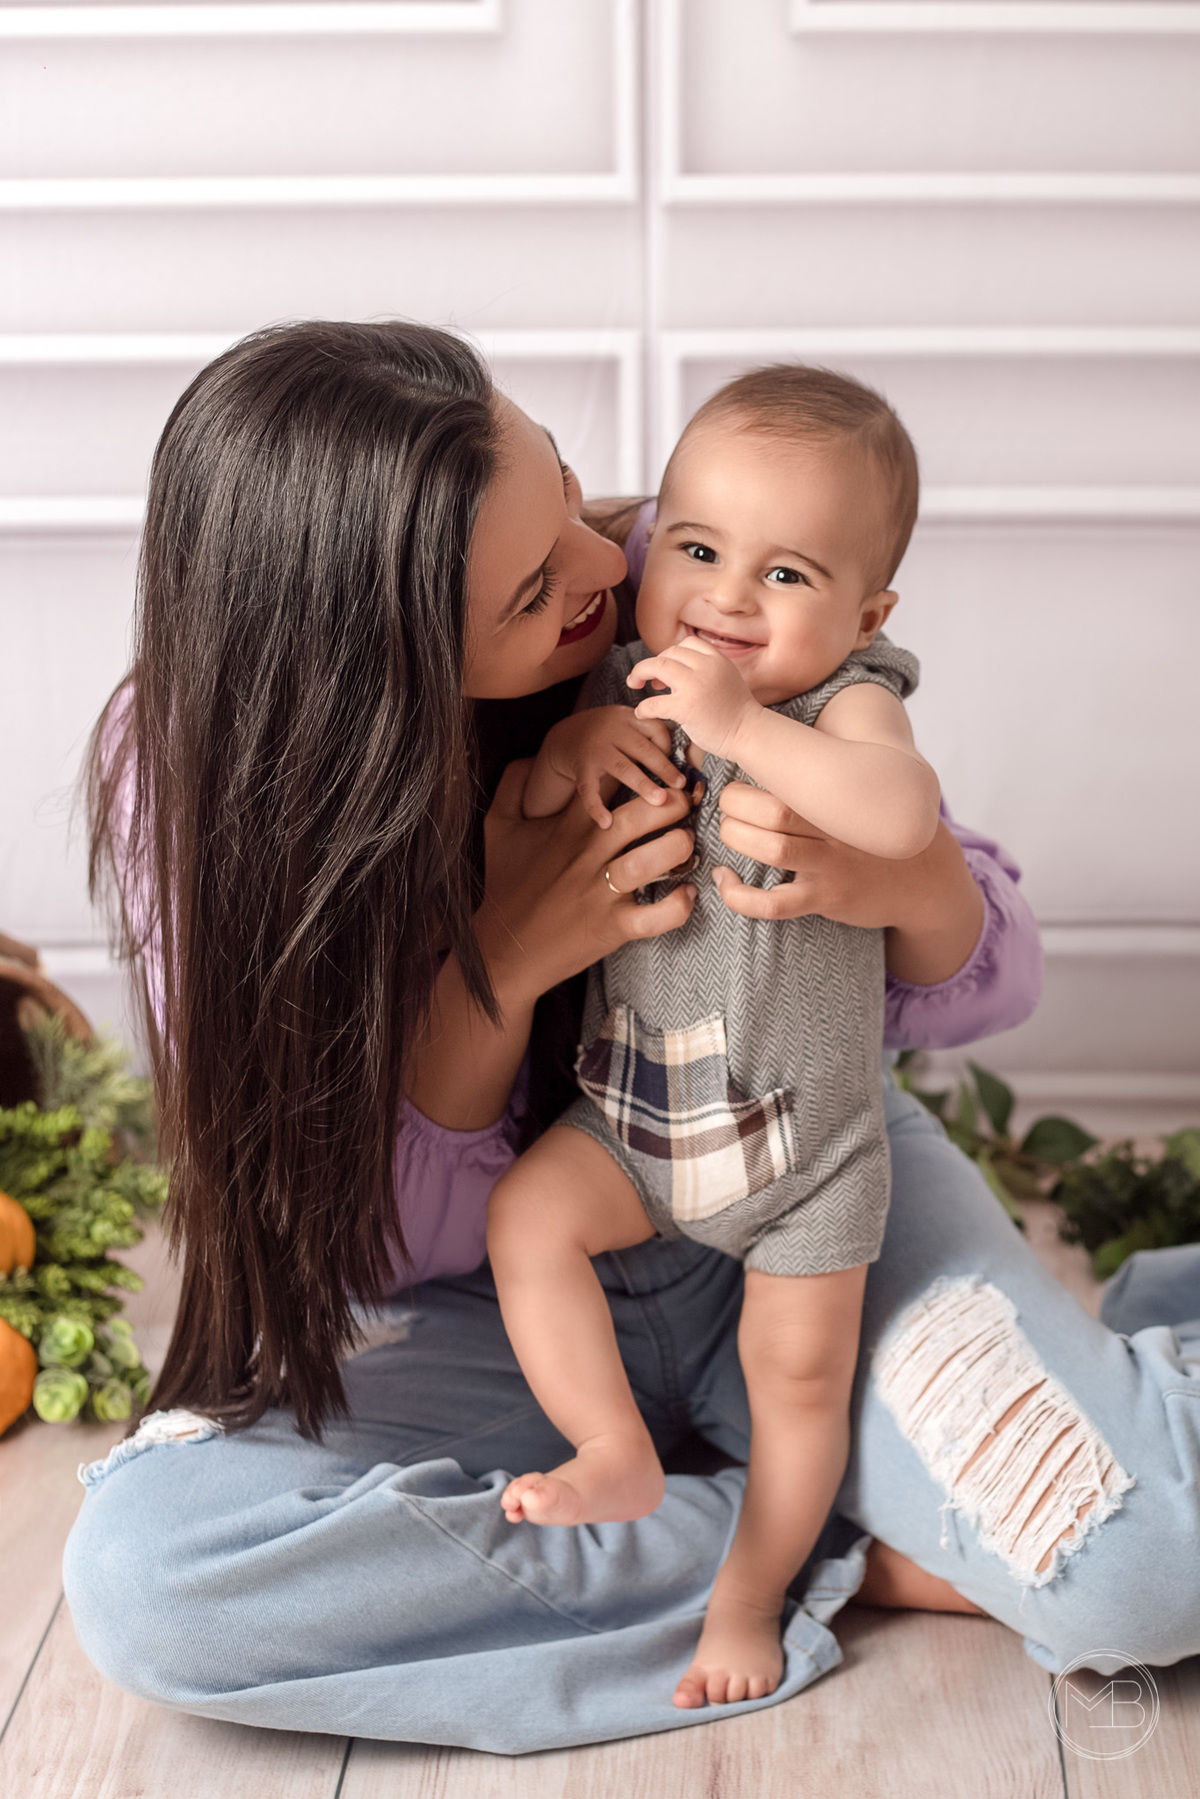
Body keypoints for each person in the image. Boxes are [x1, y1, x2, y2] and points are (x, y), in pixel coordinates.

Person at [63, 321, 1200, 1755]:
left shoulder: (702, 578)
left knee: (1146, 1573)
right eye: (531, 590)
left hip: (797, 1195)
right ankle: (806, 1538)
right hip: (511, 1305)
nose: (605, 562)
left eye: (555, 477)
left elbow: (990, 978)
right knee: (159, 1584)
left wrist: (887, 882)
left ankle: (809, 1512)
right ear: (380, 670)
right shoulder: (207, 798)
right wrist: (515, 953)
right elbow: (380, 1247)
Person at [488, 367, 941, 1710]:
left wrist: (741, 726)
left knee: (798, 1382)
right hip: (636, 1120)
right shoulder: (621, 680)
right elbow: (533, 811)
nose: (727, 598)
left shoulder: (841, 700)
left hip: (810, 1161)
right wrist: (565, 761)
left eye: (786, 573)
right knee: (528, 1218)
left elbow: (900, 812)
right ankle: (612, 1447)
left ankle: (749, 1597)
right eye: (696, 550)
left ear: (866, 614)